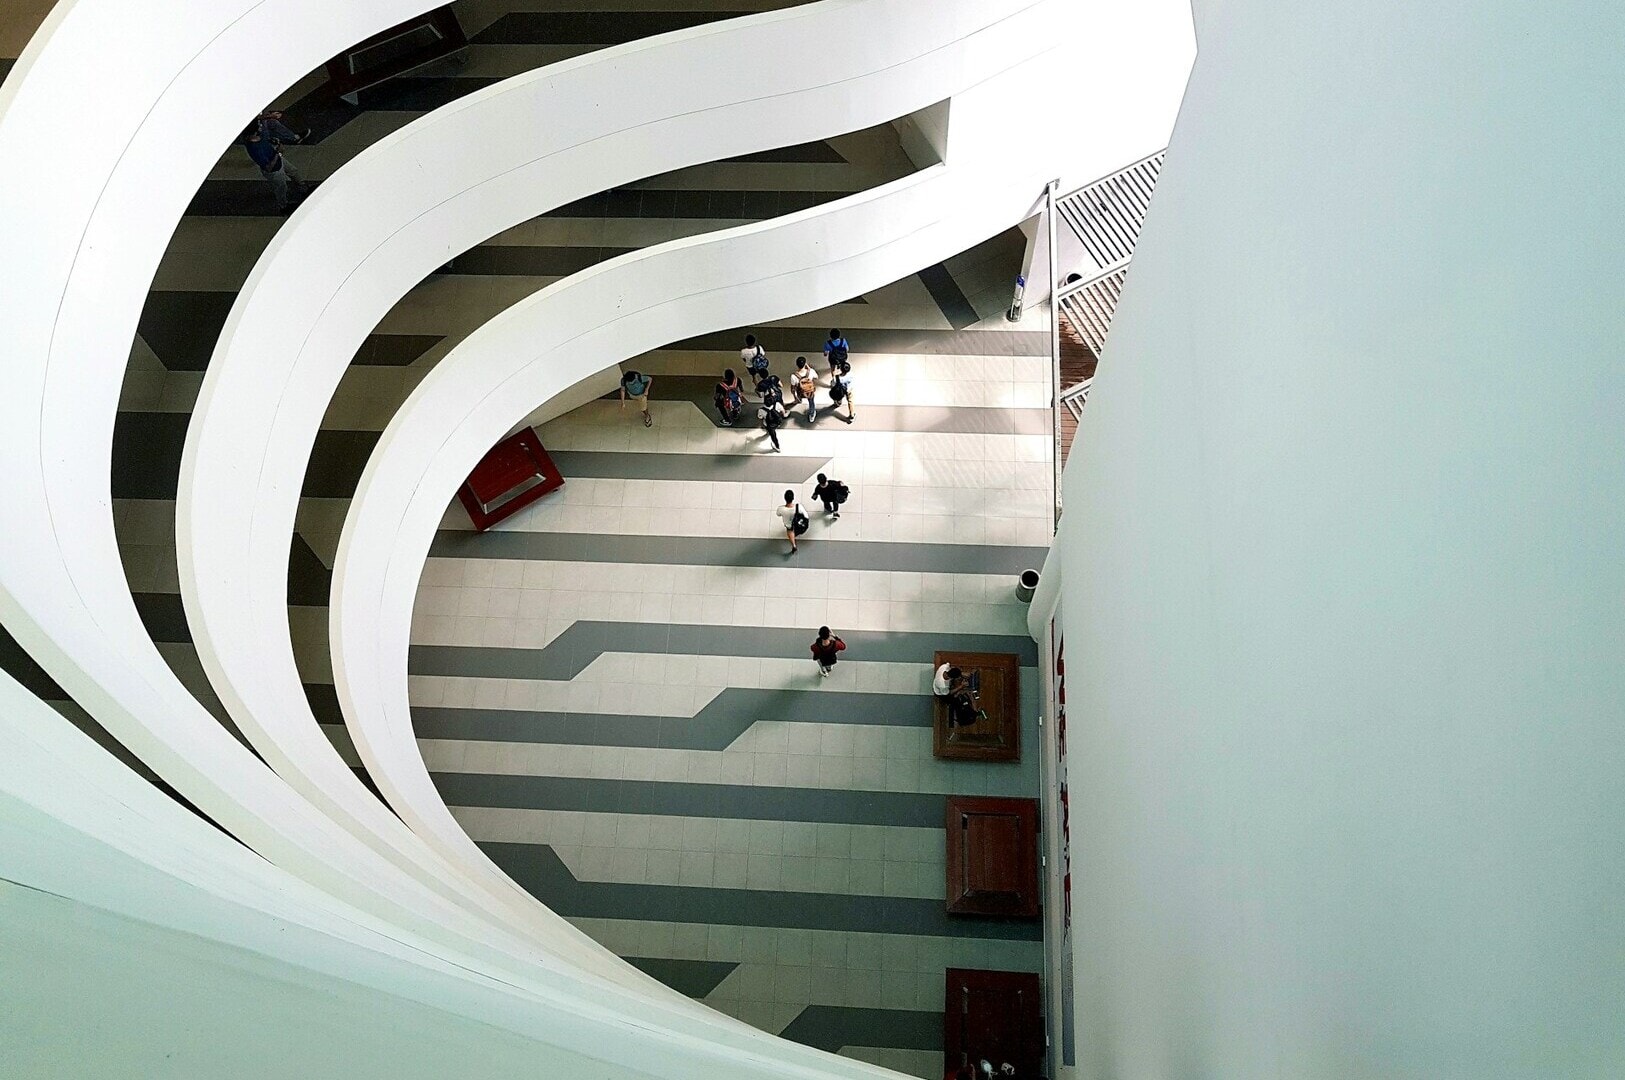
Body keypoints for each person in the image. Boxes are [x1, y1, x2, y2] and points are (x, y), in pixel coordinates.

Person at [243, 112, 310, 213]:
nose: (262, 125)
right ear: (255, 131)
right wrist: (278, 153)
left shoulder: (259, 137)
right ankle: (283, 206)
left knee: (293, 171)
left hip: (277, 158)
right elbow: (268, 167)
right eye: (259, 125)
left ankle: (303, 187)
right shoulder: (255, 149)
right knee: (281, 188)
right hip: (274, 170)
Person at [824, 330, 855, 422]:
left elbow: (825, 353)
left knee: (833, 369)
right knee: (850, 400)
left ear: (831, 336)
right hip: (842, 359)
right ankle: (852, 414)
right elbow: (847, 349)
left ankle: (838, 402)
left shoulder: (828, 343)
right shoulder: (843, 341)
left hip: (833, 360)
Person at [791, 356, 820, 422]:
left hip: (800, 392)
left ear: (797, 364)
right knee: (811, 402)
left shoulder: (794, 376)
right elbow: (816, 377)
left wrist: (794, 394)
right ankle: (812, 415)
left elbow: (793, 387)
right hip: (810, 391)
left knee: (800, 397)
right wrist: (809, 368)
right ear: (805, 364)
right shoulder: (811, 371)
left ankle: (799, 400)